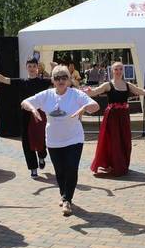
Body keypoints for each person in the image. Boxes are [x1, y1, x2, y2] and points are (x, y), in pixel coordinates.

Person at [22, 65, 99, 215]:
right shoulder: (47, 94)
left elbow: (95, 106)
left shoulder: (75, 94)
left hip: (74, 139)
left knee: (71, 168)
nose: (61, 80)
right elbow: (25, 102)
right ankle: (64, 194)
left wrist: (84, 108)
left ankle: (67, 200)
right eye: (57, 78)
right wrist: (33, 109)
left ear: (69, 80)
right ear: (53, 80)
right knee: (60, 171)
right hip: (53, 141)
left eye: (64, 77)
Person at [84, 61, 145, 177]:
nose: (118, 71)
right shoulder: (108, 85)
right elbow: (94, 92)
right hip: (112, 117)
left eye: (120, 69)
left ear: (123, 71)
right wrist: (87, 92)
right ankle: (114, 164)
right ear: (112, 71)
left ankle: (121, 164)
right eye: (116, 69)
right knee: (113, 141)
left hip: (123, 117)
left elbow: (142, 92)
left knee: (125, 140)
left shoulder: (128, 85)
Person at [0, 58, 52, 178]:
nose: (32, 68)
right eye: (29, 66)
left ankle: (42, 155)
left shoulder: (43, 82)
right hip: (25, 115)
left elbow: (56, 80)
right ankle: (33, 168)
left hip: (39, 115)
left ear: (37, 68)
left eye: (34, 66)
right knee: (26, 142)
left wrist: (54, 68)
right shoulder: (21, 82)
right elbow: (4, 80)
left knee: (41, 139)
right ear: (26, 67)